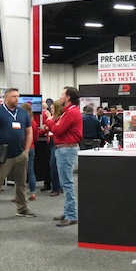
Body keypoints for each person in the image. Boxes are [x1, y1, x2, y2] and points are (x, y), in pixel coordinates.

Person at [0, 88, 35, 223]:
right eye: (14, 96)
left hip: (20, 154)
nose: (16, 99)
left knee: (21, 183)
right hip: (4, 155)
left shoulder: (23, 113)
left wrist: (26, 151)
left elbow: (29, 132)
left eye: (18, 96)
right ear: (6, 97)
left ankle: (22, 208)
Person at [45, 86, 82, 227]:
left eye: (62, 94)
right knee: (66, 182)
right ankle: (68, 212)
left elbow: (58, 130)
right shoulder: (68, 112)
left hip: (66, 149)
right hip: (65, 149)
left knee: (67, 183)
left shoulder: (71, 113)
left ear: (68, 98)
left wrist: (49, 121)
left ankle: (71, 215)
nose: (60, 97)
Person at [20, 102, 40, 201]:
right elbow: (36, 137)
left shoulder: (21, 122)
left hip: (21, 148)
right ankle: (33, 193)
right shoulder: (34, 123)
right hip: (31, 148)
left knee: (19, 172)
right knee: (30, 171)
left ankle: (19, 194)